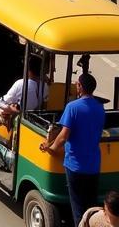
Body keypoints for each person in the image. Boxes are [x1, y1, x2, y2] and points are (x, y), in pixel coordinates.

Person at [41, 72, 107, 226]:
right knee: (90, 208)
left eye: (77, 83)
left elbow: (63, 137)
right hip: (93, 166)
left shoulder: (72, 107)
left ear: (80, 87)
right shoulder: (99, 108)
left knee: (78, 210)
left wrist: (50, 148)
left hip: (75, 166)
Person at [0, 58, 45, 154]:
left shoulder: (20, 83)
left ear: (27, 69)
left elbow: (2, 103)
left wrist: (8, 109)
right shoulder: (45, 86)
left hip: (14, 118)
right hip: (32, 118)